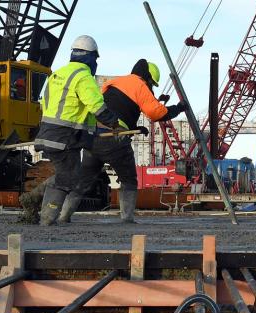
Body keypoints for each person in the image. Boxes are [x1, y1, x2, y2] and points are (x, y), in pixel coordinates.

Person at [56, 59, 186, 224]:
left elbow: (115, 108)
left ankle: (63, 216)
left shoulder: (115, 82)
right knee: (128, 179)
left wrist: (135, 127)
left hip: (94, 136)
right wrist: (178, 108)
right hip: (115, 139)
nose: (151, 87)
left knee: (83, 181)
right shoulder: (140, 85)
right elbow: (156, 113)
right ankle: (127, 219)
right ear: (147, 77)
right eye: (152, 83)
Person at [33, 35, 120, 226]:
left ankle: (33, 201)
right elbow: (97, 107)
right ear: (90, 57)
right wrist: (115, 124)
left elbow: (49, 104)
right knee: (68, 179)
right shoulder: (83, 77)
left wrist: (89, 131)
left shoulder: (57, 75)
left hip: (48, 133)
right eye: (95, 59)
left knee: (67, 174)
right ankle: (46, 219)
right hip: (65, 137)